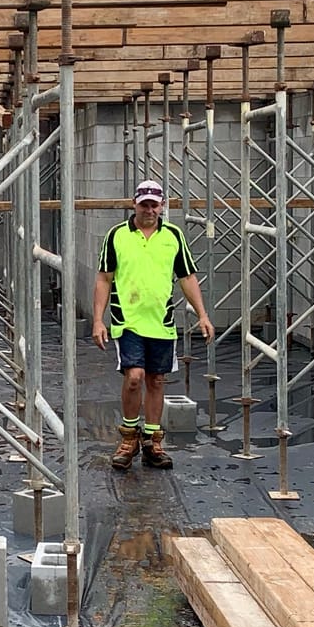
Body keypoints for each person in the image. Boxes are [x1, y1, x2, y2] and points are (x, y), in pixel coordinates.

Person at [92, 180, 214, 471]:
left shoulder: (173, 236)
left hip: (161, 322)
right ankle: (128, 438)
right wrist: (98, 320)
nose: (149, 210)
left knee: (156, 380)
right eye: (143, 204)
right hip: (128, 322)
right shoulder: (116, 236)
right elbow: (103, 279)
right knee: (134, 376)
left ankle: (152, 441)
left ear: (162, 206)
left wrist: (203, 315)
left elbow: (187, 277)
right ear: (134, 204)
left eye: (154, 205)